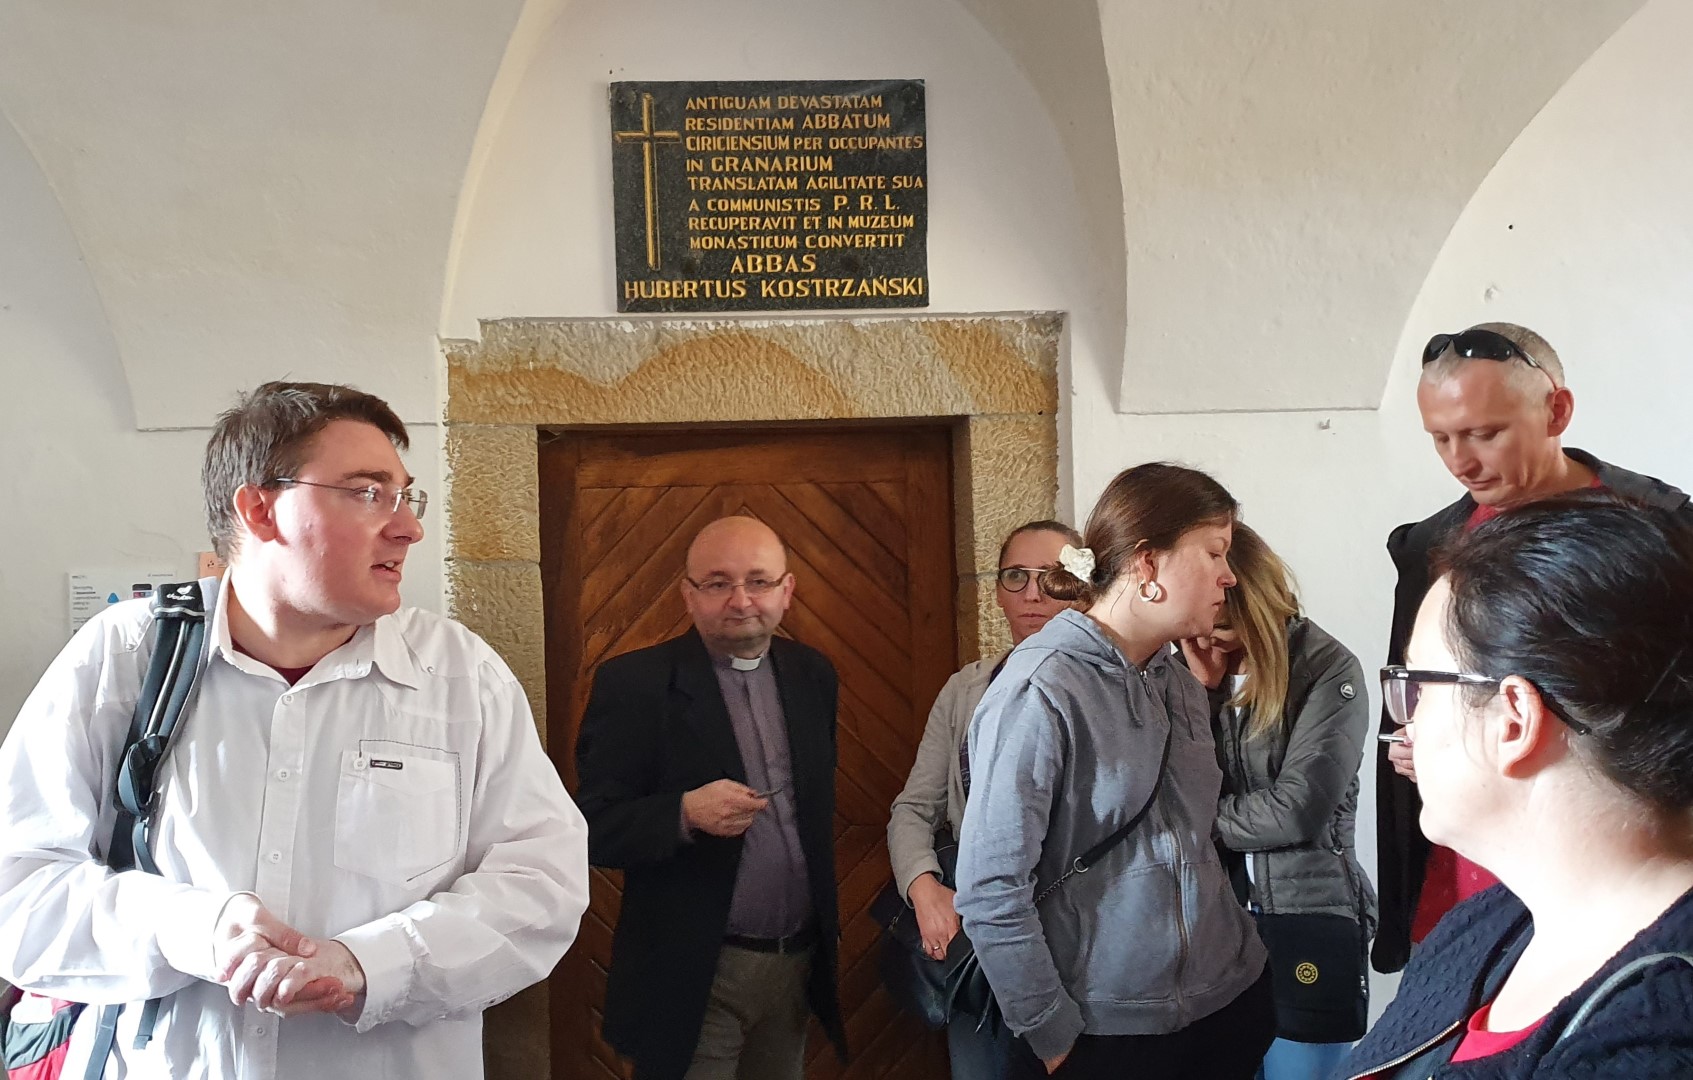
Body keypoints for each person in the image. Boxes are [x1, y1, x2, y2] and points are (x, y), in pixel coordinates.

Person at [0, 381, 590, 1078]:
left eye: (406, 497)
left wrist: (369, 965)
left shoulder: (459, 674)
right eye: (368, 492)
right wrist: (196, 930)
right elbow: (20, 888)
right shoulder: (126, 655)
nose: (408, 527)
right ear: (260, 509)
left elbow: (540, 884)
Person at [1374, 322, 1693, 974]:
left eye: (1484, 433)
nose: (1460, 462)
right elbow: (1421, 685)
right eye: (1440, 438)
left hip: (1625, 861)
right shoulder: (1427, 546)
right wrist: (1422, 736)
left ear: (1556, 411)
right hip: (1470, 872)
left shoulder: (1663, 530)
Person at [1344, 498, 1693, 1077]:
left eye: (1420, 687)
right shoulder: (1487, 925)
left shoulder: (1659, 1042)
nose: (1406, 725)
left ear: (1513, 721)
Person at [954, 463, 1274, 1080]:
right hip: (1107, 1034)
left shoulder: (1175, 678)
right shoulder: (1040, 688)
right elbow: (991, 888)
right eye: (1214, 552)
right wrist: (1053, 1037)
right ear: (1148, 564)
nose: (1229, 576)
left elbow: (1191, 838)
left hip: (1227, 1006)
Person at [575, 516, 846, 1080]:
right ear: (688, 594)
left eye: (759, 581)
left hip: (797, 965)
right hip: (694, 971)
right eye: (718, 583)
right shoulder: (635, 684)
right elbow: (591, 827)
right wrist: (683, 813)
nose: (741, 600)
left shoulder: (813, 675)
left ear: (787, 590)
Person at [887, 518, 1082, 1080]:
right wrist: (925, 890)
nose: (1032, 593)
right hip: (981, 939)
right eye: (1016, 576)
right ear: (997, 592)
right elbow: (914, 809)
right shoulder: (965, 689)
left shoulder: (1115, 688)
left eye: (1052, 576)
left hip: (1080, 942)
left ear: (1084, 588)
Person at [1180, 523, 1375, 1080]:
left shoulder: (1325, 668)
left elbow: (1296, 811)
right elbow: (1176, 779)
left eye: (1222, 627)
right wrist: (1200, 694)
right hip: (1215, 921)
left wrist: (1190, 822)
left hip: (1308, 915)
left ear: (1253, 601)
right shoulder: (1192, 670)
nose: (1208, 640)